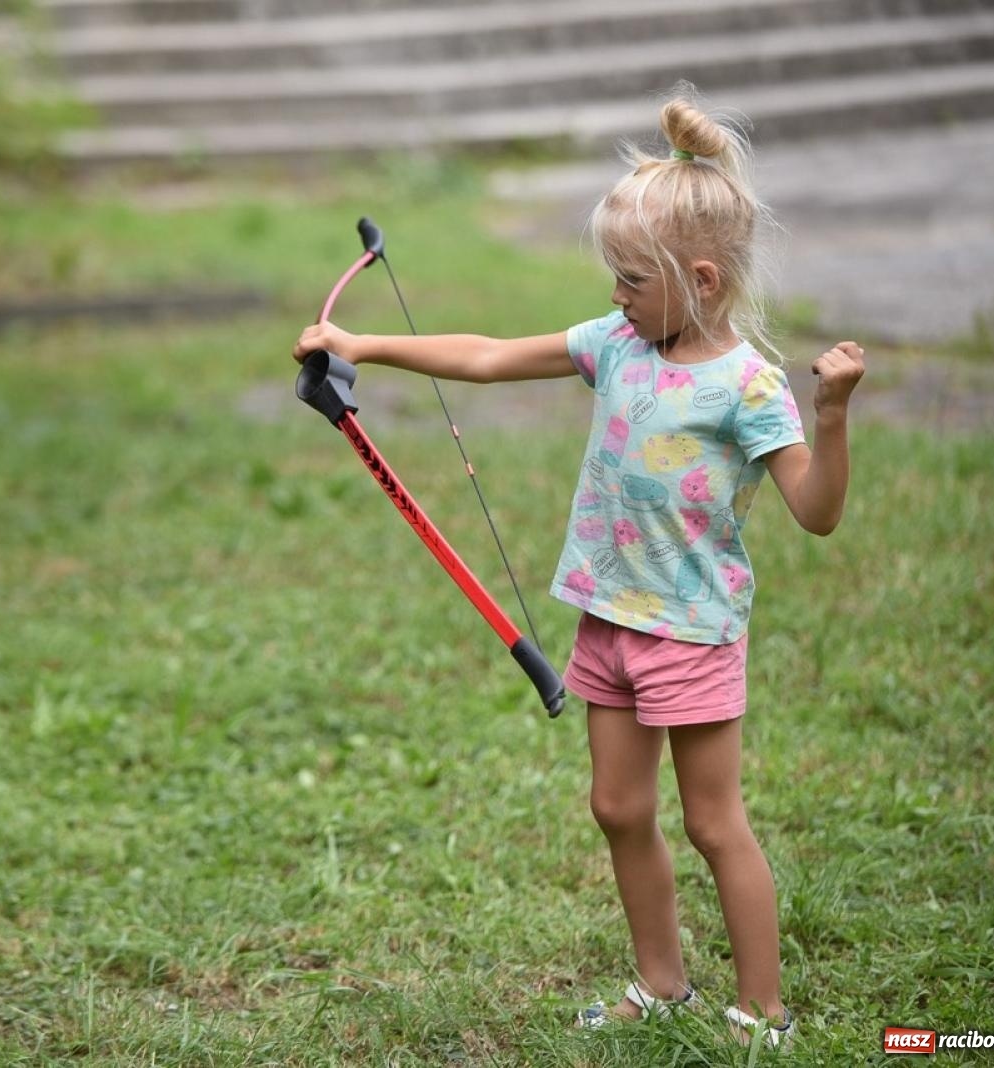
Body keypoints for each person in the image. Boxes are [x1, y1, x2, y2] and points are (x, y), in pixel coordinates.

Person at [291, 86, 864, 1049]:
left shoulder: (749, 387)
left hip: (689, 633)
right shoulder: (614, 345)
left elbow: (816, 513)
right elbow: (485, 357)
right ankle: (663, 983)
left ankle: (765, 1014)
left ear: (703, 279)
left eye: (632, 281)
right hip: (608, 618)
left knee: (715, 824)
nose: (614, 296)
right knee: (616, 806)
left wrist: (837, 416)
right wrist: (363, 345)